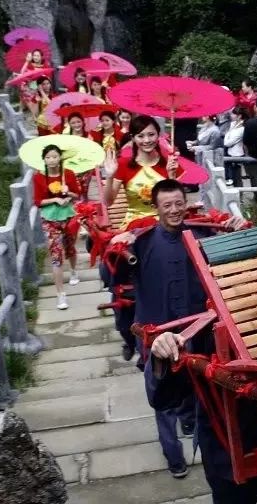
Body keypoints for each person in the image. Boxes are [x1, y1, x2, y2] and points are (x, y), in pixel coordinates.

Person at [111, 179, 257, 502]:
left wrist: (239, 233)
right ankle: (174, 454)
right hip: (226, 449)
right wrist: (159, 352)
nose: (173, 210)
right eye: (165, 205)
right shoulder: (205, 334)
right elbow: (161, 395)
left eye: (178, 203)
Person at [101, 115, 183, 359]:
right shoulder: (125, 165)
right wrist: (110, 175)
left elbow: (175, 201)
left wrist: (172, 175)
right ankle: (127, 328)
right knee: (121, 273)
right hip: (135, 227)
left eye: (151, 134)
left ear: (159, 135)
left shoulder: (169, 161)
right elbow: (107, 201)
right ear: (133, 138)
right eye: (140, 135)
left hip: (164, 223)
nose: (146, 140)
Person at [33, 145, 82, 310]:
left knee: (70, 247)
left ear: (60, 158)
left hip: (68, 215)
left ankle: (74, 270)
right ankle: (60, 294)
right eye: (48, 157)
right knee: (56, 256)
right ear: (44, 160)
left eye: (55, 157)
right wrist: (54, 200)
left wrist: (68, 194)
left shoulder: (67, 174)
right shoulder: (39, 177)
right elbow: (38, 201)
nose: (52, 160)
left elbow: (77, 194)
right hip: (49, 218)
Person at [222, 106, 247, 187]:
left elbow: (228, 142)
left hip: (237, 154)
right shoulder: (232, 124)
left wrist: (227, 135)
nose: (231, 116)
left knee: (237, 176)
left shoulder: (242, 128)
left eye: (233, 114)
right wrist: (227, 135)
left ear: (239, 116)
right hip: (230, 152)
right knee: (234, 175)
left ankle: (240, 194)